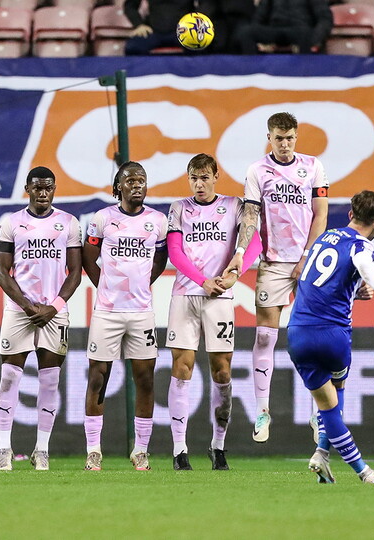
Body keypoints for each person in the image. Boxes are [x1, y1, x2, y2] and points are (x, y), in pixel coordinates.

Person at [222, 111, 330, 443]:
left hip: (309, 261)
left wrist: (308, 255)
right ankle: (263, 410)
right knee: (266, 337)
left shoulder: (313, 166)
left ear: (297, 138)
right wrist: (241, 253)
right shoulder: (258, 170)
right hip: (272, 262)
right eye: (279, 138)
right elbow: (251, 216)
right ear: (269, 138)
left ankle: (318, 413)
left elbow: (321, 213)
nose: (285, 144)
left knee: (313, 336)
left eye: (290, 138)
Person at [288, 190, 374, 485]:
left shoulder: (324, 238)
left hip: (298, 332)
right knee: (334, 399)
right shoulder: (362, 245)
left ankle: (322, 455)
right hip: (333, 336)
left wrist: (355, 290)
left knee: (326, 406)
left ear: (350, 214)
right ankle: (364, 472)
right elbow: (365, 264)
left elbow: (314, 280)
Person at [165, 154, 262, 471]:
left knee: (222, 372)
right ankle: (180, 450)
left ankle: (218, 446)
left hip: (220, 297)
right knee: (182, 368)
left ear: (216, 176)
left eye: (205, 177)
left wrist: (235, 275)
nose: (199, 183)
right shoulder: (179, 208)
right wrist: (202, 280)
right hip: (187, 295)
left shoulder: (234, 205)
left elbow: (255, 244)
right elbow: (175, 252)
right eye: (194, 177)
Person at [0, 167, 83, 472]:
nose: (42, 193)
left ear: (54, 189)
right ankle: (4, 446)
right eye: (37, 188)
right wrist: (26, 304)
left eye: (48, 188)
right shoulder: (12, 223)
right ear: (27, 190)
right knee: (9, 377)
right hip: (19, 311)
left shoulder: (68, 223)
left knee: (50, 380)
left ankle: (41, 450)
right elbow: (3, 272)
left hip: (54, 313)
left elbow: (75, 272)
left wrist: (53, 307)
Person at [81, 161, 168, 471]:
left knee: (145, 379)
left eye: (141, 180)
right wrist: (106, 288)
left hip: (142, 312)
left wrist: (142, 285)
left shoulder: (157, 221)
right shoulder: (103, 219)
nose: (137, 184)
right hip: (107, 312)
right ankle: (94, 450)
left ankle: (140, 451)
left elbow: (161, 258)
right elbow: (89, 259)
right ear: (117, 187)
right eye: (130, 180)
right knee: (97, 377)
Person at [234, 0, 333, 55]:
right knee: (246, 32)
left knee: (306, 35)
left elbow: (325, 18)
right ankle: (252, 71)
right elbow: (258, 17)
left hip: (300, 31)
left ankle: (305, 74)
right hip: (275, 30)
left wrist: (315, 40)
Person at [123, 0, 196, 55]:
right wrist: (139, 25)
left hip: (186, 30)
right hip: (153, 30)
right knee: (132, 47)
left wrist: (198, 24)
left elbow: (206, 4)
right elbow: (130, 6)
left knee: (201, 47)